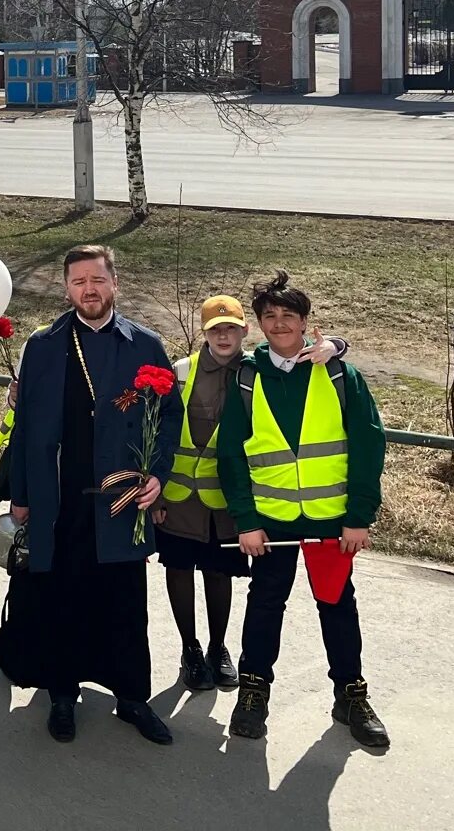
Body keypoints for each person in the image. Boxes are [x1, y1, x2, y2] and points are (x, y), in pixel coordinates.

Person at [0, 244, 179, 747]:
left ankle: (132, 698)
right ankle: (61, 695)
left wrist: (158, 474)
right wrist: (23, 495)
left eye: (96, 280)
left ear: (114, 283)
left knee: (124, 602)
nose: (88, 290)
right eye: (78, 282)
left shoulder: (145, 345)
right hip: (61, 500)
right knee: (63, 597)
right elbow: (27, 427)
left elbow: (169, 421)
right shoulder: (45, 345)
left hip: (120, 500)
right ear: (66, 287)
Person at [218, 271, 389, 750]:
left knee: (337, 606)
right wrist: (246, 521)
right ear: (259, 324)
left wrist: (359, 515)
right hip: (270, 524)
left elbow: (368, 444)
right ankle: (253, 691)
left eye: (287, 316)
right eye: (269, 317)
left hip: (331, 521)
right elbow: (231, 453)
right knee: (265, 604)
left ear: (305, 322)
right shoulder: (248, 377)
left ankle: (351, 694)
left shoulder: (337, 373)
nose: (278, 325)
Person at [152, 294, 255, 693]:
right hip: (177, 498)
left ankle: (217, 647)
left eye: (231, 328)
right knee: (178, 571)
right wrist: (155, 492)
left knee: (218, 573)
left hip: (224, 500)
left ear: (245, 330)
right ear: (204, 333)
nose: (224, 336)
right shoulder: (180, 372)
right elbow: (156, 432)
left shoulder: (256, 373)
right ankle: (190, 649)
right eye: (216, 329)